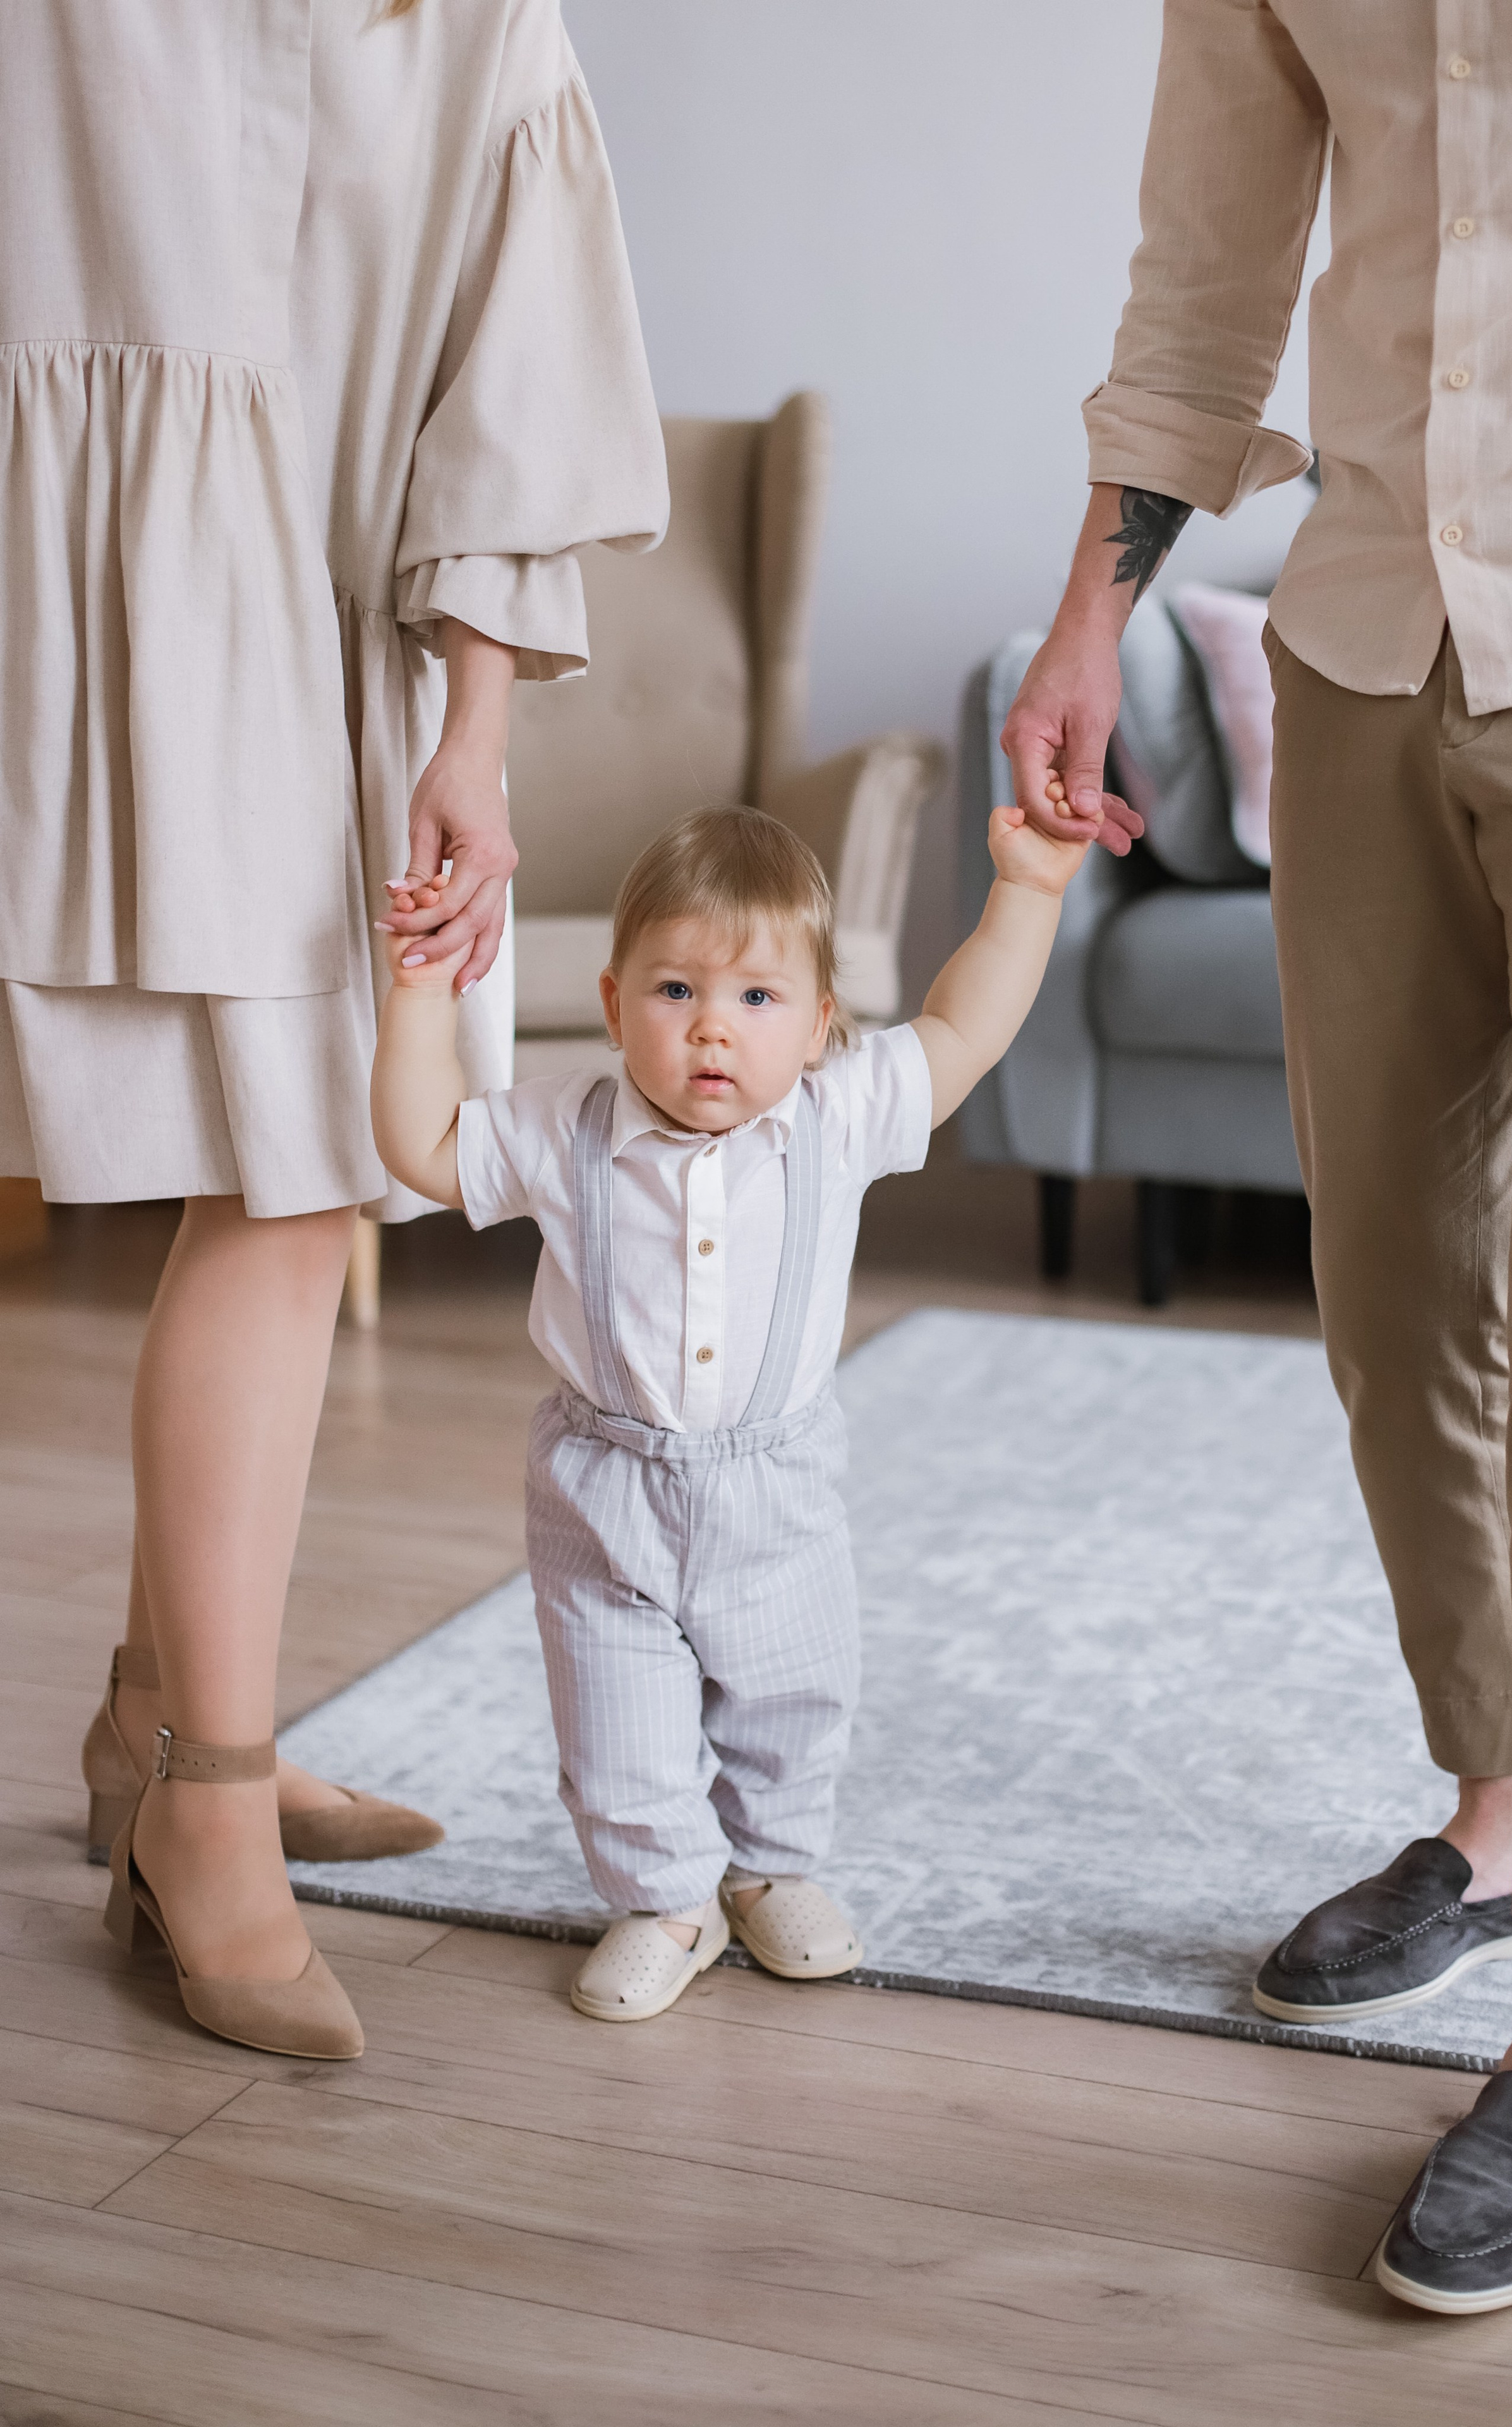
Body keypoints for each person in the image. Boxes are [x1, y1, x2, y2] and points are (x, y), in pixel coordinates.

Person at [999, 2, 1512, 2316]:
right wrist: (1096, 609)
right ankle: (1503, 1796)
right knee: (1388, 1293)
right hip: (1369, 647)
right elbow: (1214, 259)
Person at [2, 0, 666, 2060]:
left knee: (314, 1180)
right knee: (290, 1198)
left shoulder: (472, 24)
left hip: (319, 665)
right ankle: (200, 1790)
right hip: (74, 632)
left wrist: (471, 730)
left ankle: (177, 1732)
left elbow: (516, 371)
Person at [370, 801, 1090, 2021]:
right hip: (602, 1487)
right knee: (615, 1714)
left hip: (777, 1485)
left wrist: (1028, 889)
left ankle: (772, 1869)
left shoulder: (839, 1116)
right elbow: (425, 1143)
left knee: (794, 1694)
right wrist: (422, 991)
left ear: (819, 1028)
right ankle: (666, 1901)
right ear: (612, 1007)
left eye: (758, 1000)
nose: (712, 1027)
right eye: (673, 990)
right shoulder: (566, 1127)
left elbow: (966, 1024)